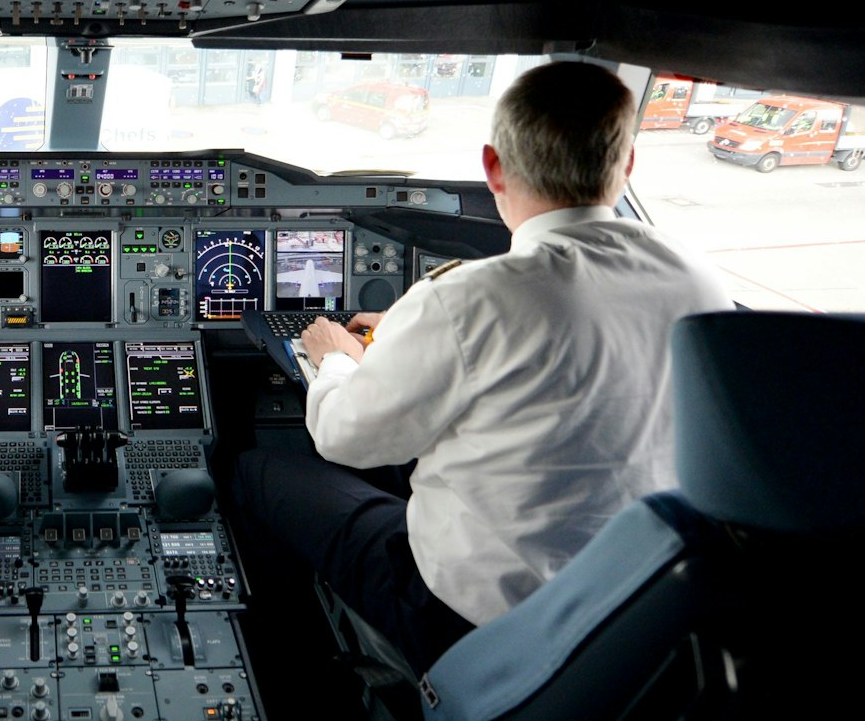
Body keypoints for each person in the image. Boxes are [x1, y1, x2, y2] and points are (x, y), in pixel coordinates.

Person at [234, 61, 733, 672]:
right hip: (632, 598)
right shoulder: (699, 278)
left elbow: (342, 438)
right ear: (626, 165)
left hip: (467, 610)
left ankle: (307, 673)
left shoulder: (466, 298)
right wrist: (413, 332)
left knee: (256, 469)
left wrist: (338, 360)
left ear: (493, 167)